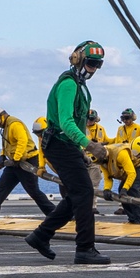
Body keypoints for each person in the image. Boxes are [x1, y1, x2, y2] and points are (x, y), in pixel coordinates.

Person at [24, 40, 110, 265]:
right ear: (78, 58)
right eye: (91, 62)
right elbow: (66, 122)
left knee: (76, 195)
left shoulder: (81, 85)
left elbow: (78, 123)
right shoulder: (69, 84)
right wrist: (90, 146)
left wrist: (80, 148)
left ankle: (41, 236)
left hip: (67, 146)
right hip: (60, 144)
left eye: (97, 65)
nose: (93, 68)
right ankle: (84, 249)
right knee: (84, 193)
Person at [0, 107, 56, 221]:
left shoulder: (14, 124)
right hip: (14, 163)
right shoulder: (6, 127)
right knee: (2, 187)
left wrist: (17, 158)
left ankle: (54, 214)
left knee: (33, 191)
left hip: (27, 161)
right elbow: (7, 144)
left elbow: (22, 141)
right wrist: (3, 155)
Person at [98, 142, 140, 225]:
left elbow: (132, 173)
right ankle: (132, 218)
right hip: (132, 166)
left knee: (132, 189)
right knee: (121, 190)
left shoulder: (121, 154)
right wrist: (107, 189)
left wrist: (125, 189)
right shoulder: (101, 160)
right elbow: (108, 177)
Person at [86, 109, 109, 214]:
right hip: (84, 158)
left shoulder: (101, 129)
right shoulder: (80, 128)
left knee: (94, 184)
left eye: (91, 119)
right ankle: (84, 205)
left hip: (96, 160)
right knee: (83, 184)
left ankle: (93, 206)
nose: (89, 121)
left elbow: (106, 140)